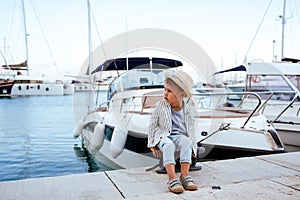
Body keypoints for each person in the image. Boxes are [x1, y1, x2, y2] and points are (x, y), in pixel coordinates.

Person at [148, 69, 198, 194]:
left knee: (186, 141)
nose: (165, 93)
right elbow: (152, 125)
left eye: (169, 91)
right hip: (163, 136)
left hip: (179, 136)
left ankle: (184, 175)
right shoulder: (161, 106)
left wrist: (193, 145)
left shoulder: (188, 109)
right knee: (169, 145)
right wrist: (152, 144)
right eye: (164, 89)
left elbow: (192, 130)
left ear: (182, 95)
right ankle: (172, 178)